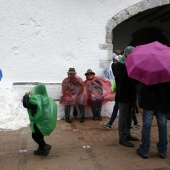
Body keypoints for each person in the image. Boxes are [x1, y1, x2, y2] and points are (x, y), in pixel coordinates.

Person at [112, 46, 138, 148]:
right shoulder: (117, 65)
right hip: (123, 94)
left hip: (131, 94)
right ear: (126, 54)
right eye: (131, 53)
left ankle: (128, 134)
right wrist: (129, 65)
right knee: (123, 117)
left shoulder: (133, 65)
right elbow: (121, 77)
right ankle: (122, 138)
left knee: (129, 116)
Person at [136, 82, 170, 159]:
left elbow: (141, 88)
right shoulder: (166, 72)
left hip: (149, 102)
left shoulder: (148, 73)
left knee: (147, 125)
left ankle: (144, 150)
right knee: (163, 126)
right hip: (162, 102)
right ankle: (162, 151)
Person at [23, 83, 57, 156]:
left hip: (37, 121)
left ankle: (45, 146)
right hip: (44, 121)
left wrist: (26, 96)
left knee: (35, 136)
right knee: (40, 135)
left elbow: (26, 104)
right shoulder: (46, 99)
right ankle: (41, 150)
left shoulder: (36, 99)